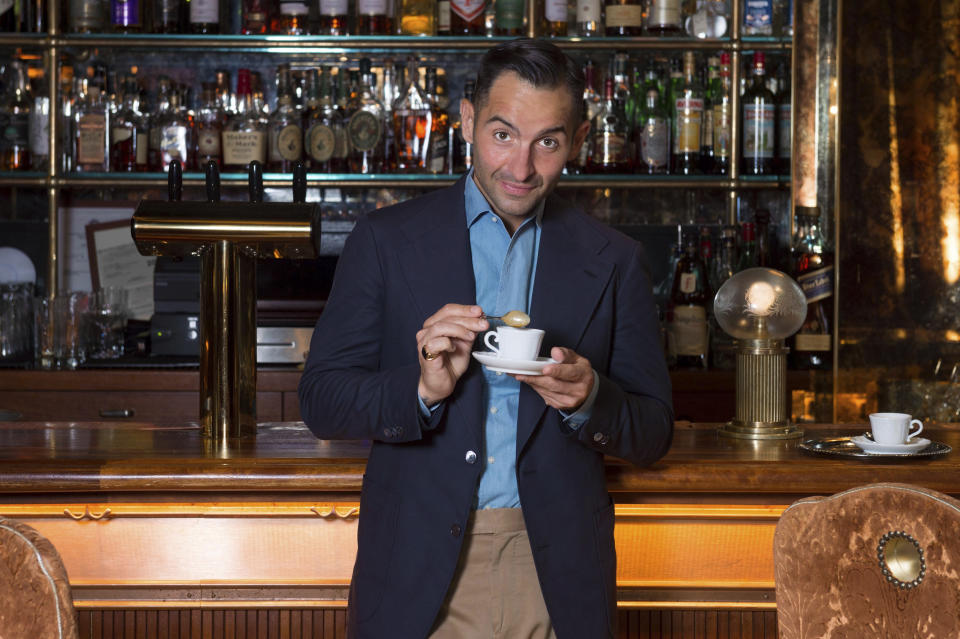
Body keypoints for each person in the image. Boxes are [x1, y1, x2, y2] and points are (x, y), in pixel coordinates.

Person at [298, 38, 674, 639]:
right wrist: (421, 390)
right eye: (503, 135)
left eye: (546, 142)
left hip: (557, 575)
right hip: (418, 574)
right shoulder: (385, 240)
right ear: (468, 122)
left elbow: (653, 430)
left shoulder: (616, 261)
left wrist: (589, 399)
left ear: (576, 141)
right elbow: (322, 400)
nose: (521, 167)